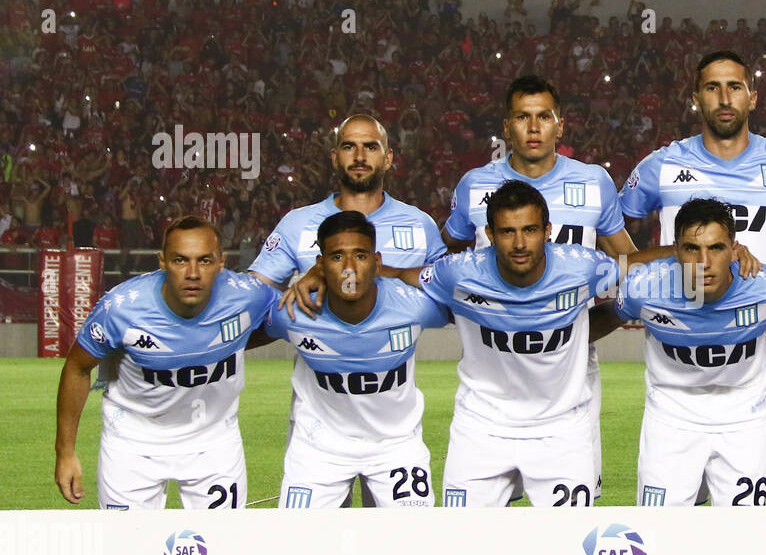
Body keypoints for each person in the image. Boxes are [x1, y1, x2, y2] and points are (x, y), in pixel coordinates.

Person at [620, 50, 766, 504]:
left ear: (752, 97)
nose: (724, 97)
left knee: (761, 502)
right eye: (712, 87)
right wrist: (674, 264)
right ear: (695, 98)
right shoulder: (661, 166)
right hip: (681, 344)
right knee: (676, 502)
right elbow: (613, 238)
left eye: (734, 86)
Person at [442, 75, 640, 502]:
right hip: (490, 366)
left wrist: (623, 307)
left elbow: (625, 259)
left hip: (568, 367)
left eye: (543, 117)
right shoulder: (474, 184)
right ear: (506, 126)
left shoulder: (594, 183)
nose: (533, 128)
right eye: (522, 117)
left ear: (560, 125)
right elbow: (450, 256)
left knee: (567, 526)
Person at [251, 113, 446, 507]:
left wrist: (378, 272)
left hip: (393, 429)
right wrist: (304, 278)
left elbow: (446, 292)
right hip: (318, 428)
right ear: (334, 157)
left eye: (370, 147)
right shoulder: (297, 224)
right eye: (349, 146)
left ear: (388, 158)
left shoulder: (420, 224)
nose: (360, 155)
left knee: (404, 550)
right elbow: (252, 297)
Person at [410, 181, 619, 507]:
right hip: (480, 429)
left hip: (562, 430)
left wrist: (721, 266)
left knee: (568, 546)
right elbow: (401, 277)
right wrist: (325, 274)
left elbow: (646, 269)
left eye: (530, 230)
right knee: (460, 544)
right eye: (507, 232)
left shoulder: (585, 266)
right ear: (490, 235)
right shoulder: (458, 272)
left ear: (548, 230)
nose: (520, 243)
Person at [55, 217, 276, 509]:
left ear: (221, 262)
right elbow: (77, 366)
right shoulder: (121, 307)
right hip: (132, 444)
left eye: (205, 260)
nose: (193, 273)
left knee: (224, 546)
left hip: (214, 442)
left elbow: (294, 316)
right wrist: (65, 453)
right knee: (129, 549)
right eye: (180, 260)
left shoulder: (249, 295)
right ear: (162, 262)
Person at [615, 198, 766, 506]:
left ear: (735, 249)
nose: (704, 261)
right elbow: (612, 313)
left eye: (716, 248)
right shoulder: (642, 289)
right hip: (670, 420)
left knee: (743, 538)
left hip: (744, 420)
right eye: (692, 248)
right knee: (659, 532)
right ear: (676, 250)